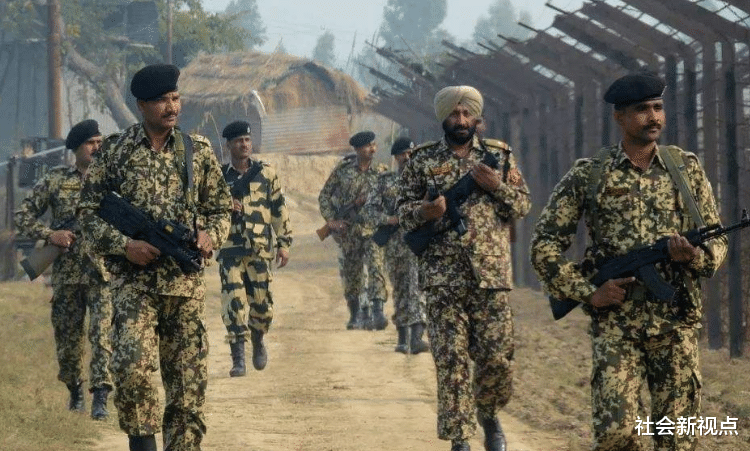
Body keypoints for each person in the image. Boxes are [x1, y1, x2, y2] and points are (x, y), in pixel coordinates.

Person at [530, 73, 728, 451]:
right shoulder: (590, 174)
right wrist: (589, 293)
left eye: (657, 108)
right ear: (619, 117)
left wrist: (696, 257)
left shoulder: (684, 168)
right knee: (616, 435)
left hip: (676, 325)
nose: (653, 117)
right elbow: (544, 246)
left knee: (677, 439)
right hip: (616, 327)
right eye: (641, 110)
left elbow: (715, 237)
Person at [78, 64, 232, 451]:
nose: (172, 106)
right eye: (162, 100)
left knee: (186, 386)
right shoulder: (115, 151)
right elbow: (88, 212)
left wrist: (209, 235)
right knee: (133, 376)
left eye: (176, 98)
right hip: (134, 286)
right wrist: (124, 245)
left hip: (184, 289)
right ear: (141, 105)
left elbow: (220, 209)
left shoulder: (198, 151)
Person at [396, 85, 531, 451]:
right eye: (454, 114)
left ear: (476, 118)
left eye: (466, 114)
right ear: (443, 117)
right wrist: (426, 212)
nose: (460, 120)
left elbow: (522, 206)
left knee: (496, 360)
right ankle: (460, 438)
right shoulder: (422, 161)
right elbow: (402, 213)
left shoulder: (499, 157)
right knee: (451, 361)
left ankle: (487, 412)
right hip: (443, 278)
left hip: (491, 277)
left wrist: (498, 186)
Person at [15, 119, 114, 420]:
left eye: (100, 142)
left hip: (102, 273)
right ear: (76, 148)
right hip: (67, 277)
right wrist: (50, 236)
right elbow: (23, 216)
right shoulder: (55, 180)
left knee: (102, 337)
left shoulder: (111, 179)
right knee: (68, 340)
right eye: (91, 143)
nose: (97, 147)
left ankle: (100, 396)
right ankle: (75, 392)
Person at [216, 120, 292, 377]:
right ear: (229, 146)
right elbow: (204, 210)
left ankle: (258, 338)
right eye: (238, 141)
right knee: (233, 304)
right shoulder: (218, 178)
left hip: (260, 250)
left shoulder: (266, 174)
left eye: (247, 140)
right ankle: (238, 359)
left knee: (262, 305)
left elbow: (279, 210)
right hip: (230, 250)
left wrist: (284, 243)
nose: (244, 144)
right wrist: (225, 205)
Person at [362, 137, 429, 354]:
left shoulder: (425, 181)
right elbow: (369, 210)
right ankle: (402, 337)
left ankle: (417, 336)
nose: (407, 157)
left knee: (417, 287)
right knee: (400, 289)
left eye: (411, 153)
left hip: (418, 242)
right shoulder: (384, 181)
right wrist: (387, 220)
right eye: (403, 154)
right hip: (395, 245)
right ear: (396, 157)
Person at [318, 131, 389, 330]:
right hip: (349, 232)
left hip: (373, 231)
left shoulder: (382, 171)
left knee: (376, 268)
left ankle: (378, 312)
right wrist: (331, 221)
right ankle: (355, 313)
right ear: (357, 149)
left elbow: (391, 198)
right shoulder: (343, 171)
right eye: (368, 146)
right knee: (352, 274)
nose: (372, 149)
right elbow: (324, 196)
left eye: (374, 145)